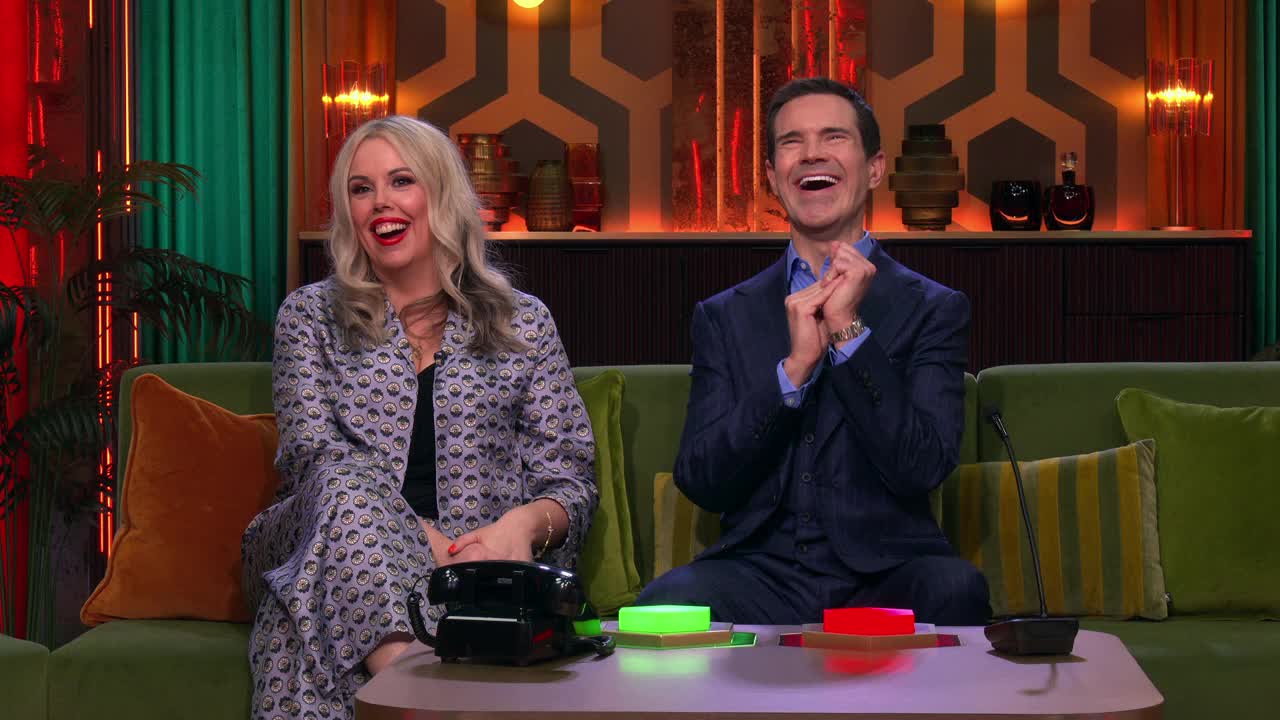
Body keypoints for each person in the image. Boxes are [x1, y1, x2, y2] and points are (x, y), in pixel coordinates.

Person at [241, 115, 599, 719]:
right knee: (343, 478)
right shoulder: (309, 317)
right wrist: (418, 541)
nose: (380, 202)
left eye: (401, 181)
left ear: (441, 194)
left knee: (294, 622)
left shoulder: (522, 323)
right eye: (361, 189)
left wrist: (523, 526)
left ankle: (408, 688)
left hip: (472, 569)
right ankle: (424, 699)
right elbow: (310, 458)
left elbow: (571, 480)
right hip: (313, 540)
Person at [635, 77, 990, 626]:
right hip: (761, 572)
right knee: (665, 606)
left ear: (875, 169)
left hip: (888, 572)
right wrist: (792, 372)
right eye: (792, 142)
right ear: (773, 176)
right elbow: (703, 479)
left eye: (833, 137)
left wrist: (849, 332)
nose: (812, 154)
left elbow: (921, 467)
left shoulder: (933, 308)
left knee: (958, 589)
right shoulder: (724, 315)